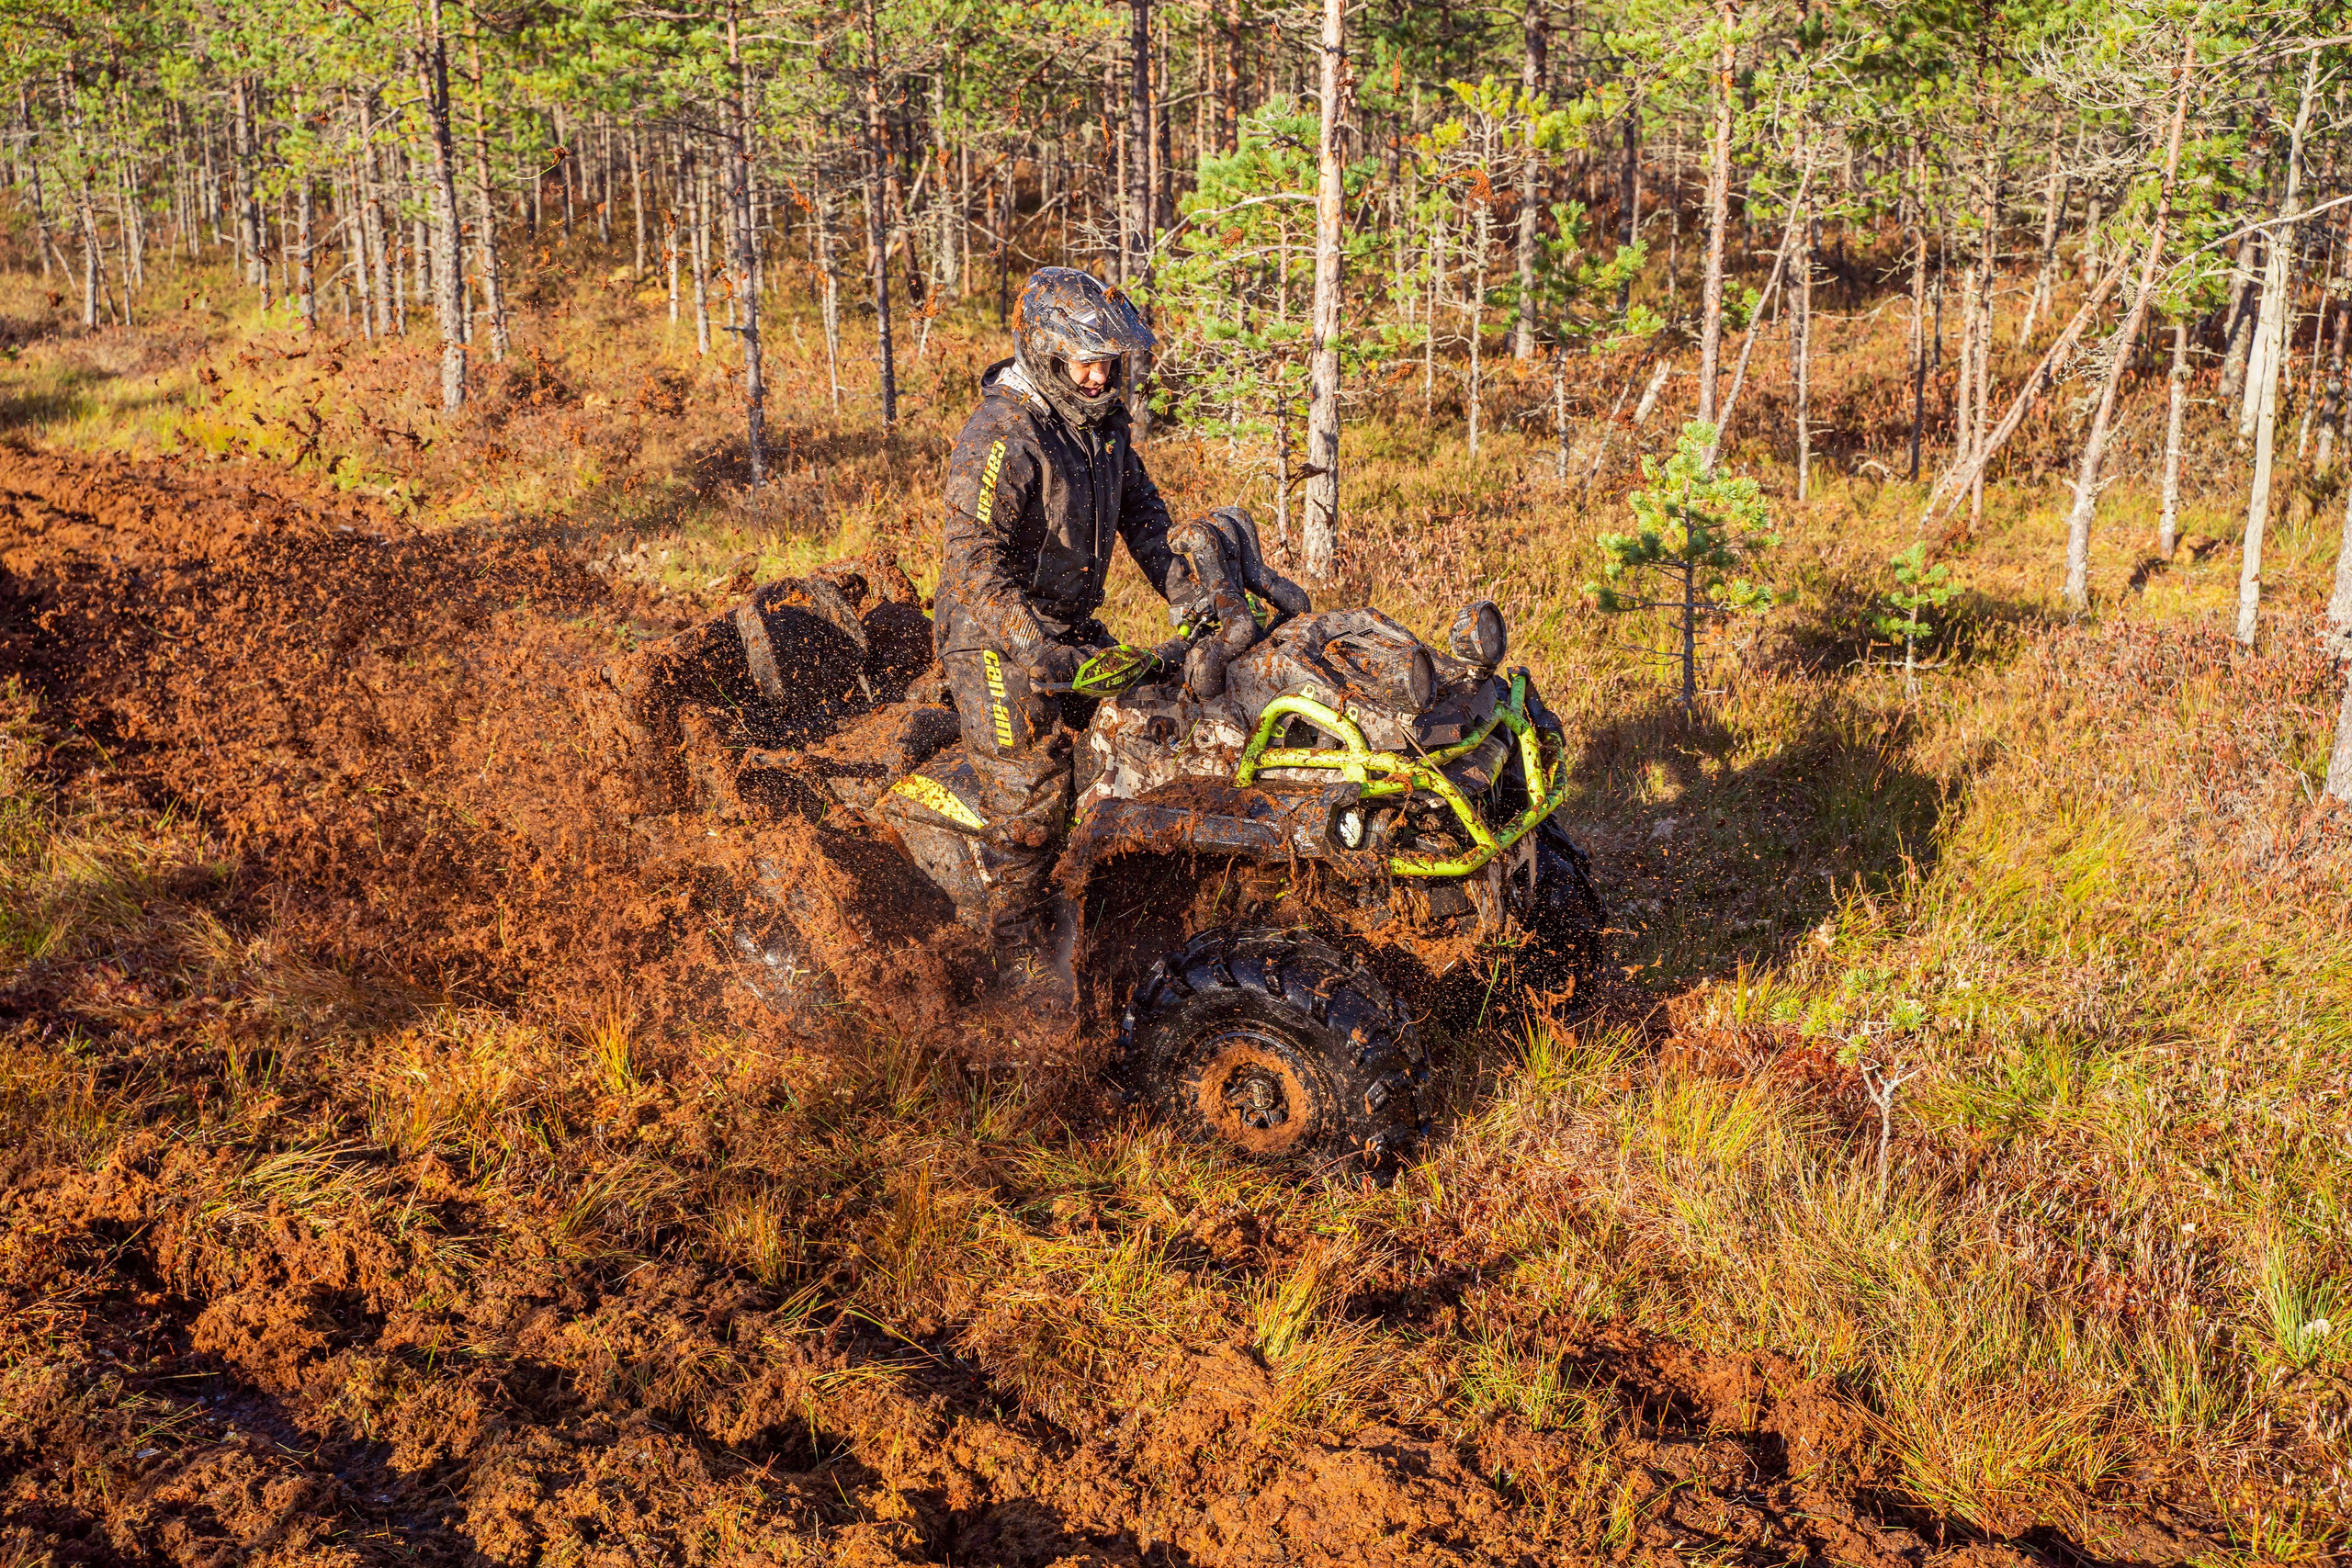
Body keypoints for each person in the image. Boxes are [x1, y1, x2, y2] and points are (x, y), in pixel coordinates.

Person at [935, 266, 1180, 979]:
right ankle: (1015, 960)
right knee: (1033, 796)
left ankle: (1102, 906)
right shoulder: (1003, 433)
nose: (1100, 376)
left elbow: (1146, 520)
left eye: (1109, 362)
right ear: (1046, 354)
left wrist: (1195, 598)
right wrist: (1033, 648)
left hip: (1066, 624)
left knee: (1146, 727)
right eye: (1086, 363)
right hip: (992, 631)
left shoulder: (1102, 425)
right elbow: (971, 560)